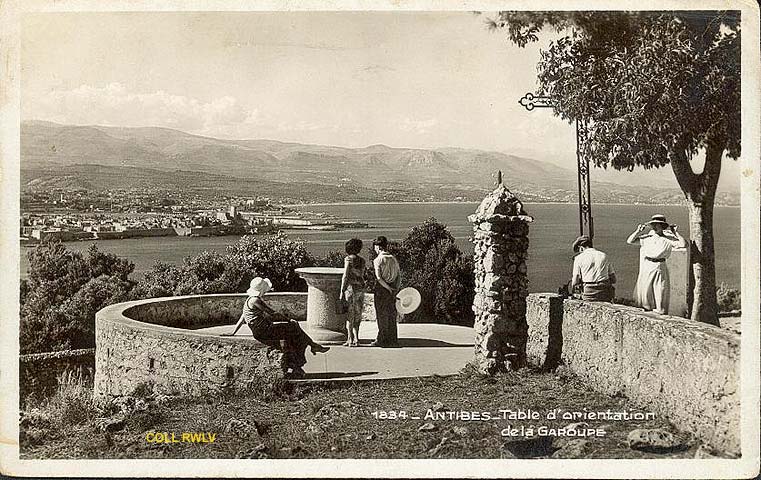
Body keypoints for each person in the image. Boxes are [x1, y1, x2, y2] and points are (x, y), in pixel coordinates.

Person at [222, 277, 329, 378]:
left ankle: (304, 356)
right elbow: (273, 314)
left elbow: (243, 318)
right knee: (294, 326)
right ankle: (309, 348)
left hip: (262, 330)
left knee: (293, 333)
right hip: (264, 331)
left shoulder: (249, 300)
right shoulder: (255, 301)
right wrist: (288, 320)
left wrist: (233, 332)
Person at [626, 214, 688, 314]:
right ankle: (647, 311)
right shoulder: (647, 238)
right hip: (647, 266)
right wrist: (638, 231)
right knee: (645, 293)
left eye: (657, 225)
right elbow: (630, 241)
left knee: (660, 291)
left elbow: (684, 244)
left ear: (662, 226)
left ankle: (660, 311)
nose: (654, 227)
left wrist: (675, 233)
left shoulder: (668, 239)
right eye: (653, 225)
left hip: (659, 266)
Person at [370, 236, 401, 347]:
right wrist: (395, 289)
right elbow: (398, 275)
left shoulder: (377, 260)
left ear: (378, 247)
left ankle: (382, 340)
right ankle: (393, 340)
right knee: (392, 314)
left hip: (381, 289)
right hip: (393, 287)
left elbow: (378, 277)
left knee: (381, 315)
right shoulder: (393, 258)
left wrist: (387, 288)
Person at [570, 235, 617, 302]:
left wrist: (573, 292)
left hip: (589, 294)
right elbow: (614, 279)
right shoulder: (604, 255)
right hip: (605, 293)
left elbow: (575, 281)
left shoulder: (578, 258)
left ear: (581, 247)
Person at [339, 238, 366, 347]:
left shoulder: (348, 259)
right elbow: (362, 275)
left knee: (349, 315)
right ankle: (357, 338)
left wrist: (342, 290)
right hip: (360, 288)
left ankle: (350, 339)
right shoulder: (362, 261)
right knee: (357, 314)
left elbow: (345, 276)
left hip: (350, 289)